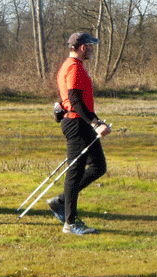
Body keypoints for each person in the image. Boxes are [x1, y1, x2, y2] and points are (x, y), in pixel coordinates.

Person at [46, 32, 111, 235]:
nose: (92, 49)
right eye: (91, 46)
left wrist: (96, 120)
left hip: (82, 122)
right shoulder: (73, 68)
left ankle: (61, 201)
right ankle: (70, 223)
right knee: (74, 173)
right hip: (77, 124)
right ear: (83, 47)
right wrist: (94, 123)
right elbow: (75, 101)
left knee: (98, 166)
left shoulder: (75, 66)